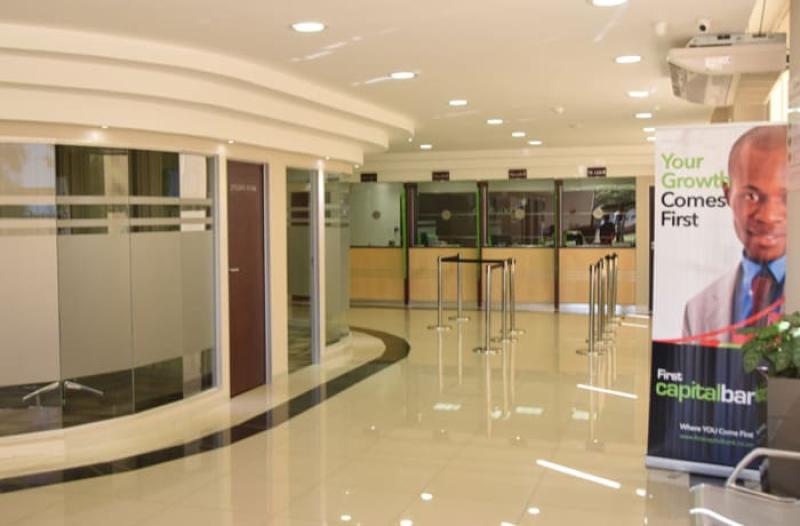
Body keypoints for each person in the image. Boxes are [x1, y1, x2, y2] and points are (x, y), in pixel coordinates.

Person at [682, 125, 787, 341]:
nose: (768, 216)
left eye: (786, 197)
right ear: (727, 194)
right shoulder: (697, 309)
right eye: (751, 196)